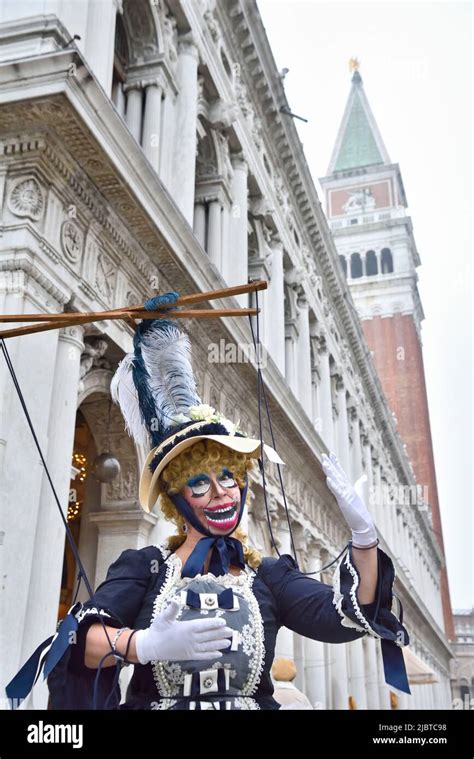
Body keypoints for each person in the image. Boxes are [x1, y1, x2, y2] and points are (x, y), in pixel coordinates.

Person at [7, 292, 411, 710]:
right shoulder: (145, 569)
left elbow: (345, 617)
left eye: (229, 477)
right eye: (199, 483)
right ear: (175, 497)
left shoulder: (269, 577)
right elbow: (78, 639)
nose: (220, 492)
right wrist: (141, 645)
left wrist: (364, 537)